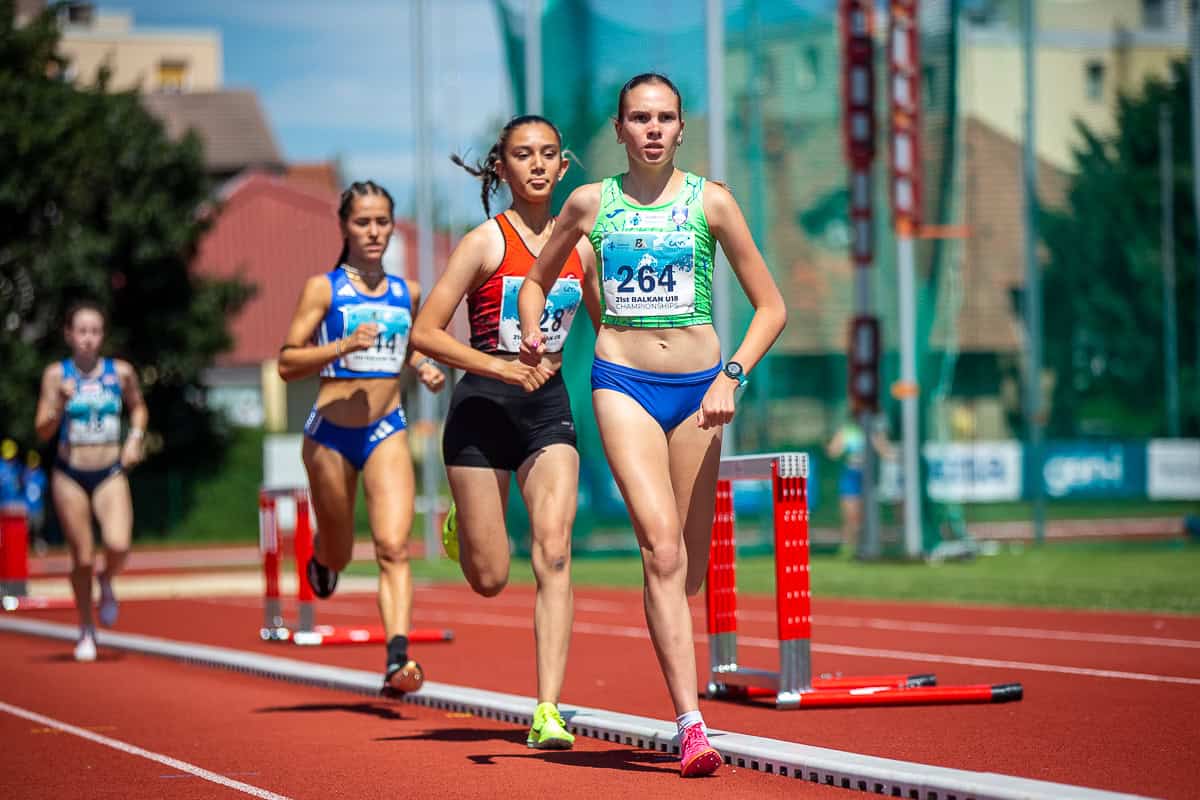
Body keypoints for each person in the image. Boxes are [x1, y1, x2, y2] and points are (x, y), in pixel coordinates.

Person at [516, 73, 787, 777]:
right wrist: (531, 332)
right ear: (619, 129)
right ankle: (692, 727)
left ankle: (678, 653)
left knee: (688, 570)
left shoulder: (712, 202)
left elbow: (771, 308)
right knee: (660, 550)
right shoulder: (588, 203)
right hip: (623, 383)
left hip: (701, 391)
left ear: (682, 126)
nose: (654, 129)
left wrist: (733, 377)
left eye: (666, 116)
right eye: (640, 117)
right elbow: (536, 281)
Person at [410, 115, 600, 749]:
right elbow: (427, 332)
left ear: (564, 166)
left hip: (548, 412)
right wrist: (498, 364)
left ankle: (547, 709)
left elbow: (608, 331)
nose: (538, 165)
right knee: (491, 578)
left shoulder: (584, 246)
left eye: (549, 153)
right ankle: (466, 525)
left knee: (553, 550)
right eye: (524, 155)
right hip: (482, 411)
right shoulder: (484, 243)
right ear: (503, 167)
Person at [278, 180, 446, 694]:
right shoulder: (323, 289)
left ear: (392, 226)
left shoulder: (406, 292)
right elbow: (287, 361)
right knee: (341, 552)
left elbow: (409, 346)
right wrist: (342, 345)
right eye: (362, 222)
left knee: (394, 546)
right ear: (345, 227)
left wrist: (423, 365)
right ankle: (322, 558)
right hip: (329, 434)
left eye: (381, 222)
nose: (373, 232)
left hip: (386, 428)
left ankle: (398, 659)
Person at [33, 301, 148, 662]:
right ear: (69, 335)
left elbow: (139, 407)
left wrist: (135, 438)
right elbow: (42, 430)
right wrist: (58, 406)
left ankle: (108, 580)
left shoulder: (122, 372)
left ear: (102, 335)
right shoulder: (56, 375)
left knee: (118, 543)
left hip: (109, 469)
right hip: (70, 472)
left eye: (95, 331)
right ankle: (86, 628)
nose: (88, 338)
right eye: (81, 331)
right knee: (82, 557)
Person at [826, 414, 894, 557]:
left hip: (868, 478)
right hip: (850, 477)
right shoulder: (847, 431)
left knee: (866, 517)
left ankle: (866, 547)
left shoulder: (874, 431)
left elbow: (887, 452)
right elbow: (832, 452)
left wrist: (880, 445)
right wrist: (837, 446)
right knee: (851, 517)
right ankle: (848, 549)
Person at [22, 450, 49, 555]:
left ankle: (39, 545)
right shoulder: (24, 474)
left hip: (38, 507)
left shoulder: (41, 475)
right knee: (26, 530)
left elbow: (43, 490)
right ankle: (24, 546)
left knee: (38, 529)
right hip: (26, 508)